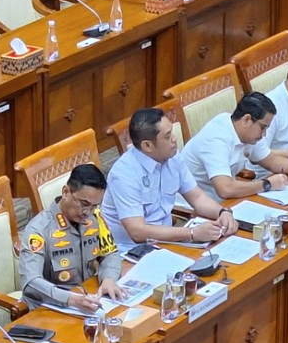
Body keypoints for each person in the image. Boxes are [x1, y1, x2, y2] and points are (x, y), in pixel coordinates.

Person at [101, 108, 239, 251]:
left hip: (168, 241)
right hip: (131, 250)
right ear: (147, 145)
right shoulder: (124, 174)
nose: (174, 139)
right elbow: (137, 232)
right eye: (167, 136)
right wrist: (192, 233)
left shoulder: (173, 157)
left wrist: (223, 212)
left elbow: (197, 198)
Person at [19, 164, 126, 313]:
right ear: (65, 192)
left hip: (88, 298)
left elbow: (110, 253)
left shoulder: (95, 218)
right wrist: (69, 299)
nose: (87, 212)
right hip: (52, 308)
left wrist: (109, 278)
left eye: (95, 205)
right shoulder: (39, 230)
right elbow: (30, 282)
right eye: (84, 204)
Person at [180, 92, 288, 202]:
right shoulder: (216, 139)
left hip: (225, 203)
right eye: (263, 127)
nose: (264, 134)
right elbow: (225, 189)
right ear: (246, 120)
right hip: (195, 208)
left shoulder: (249, 134)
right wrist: (267, 184)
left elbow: (271, 160)